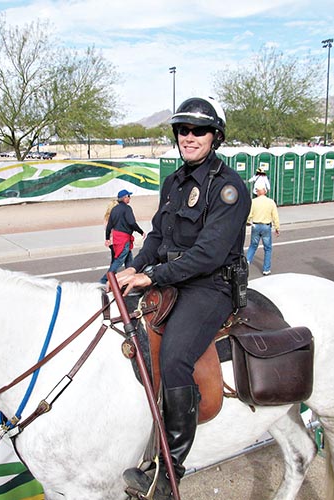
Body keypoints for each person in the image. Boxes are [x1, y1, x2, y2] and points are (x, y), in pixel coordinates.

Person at [114, 96, 250, 500]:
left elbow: (208, 254)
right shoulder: (173, 183)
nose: (189, 138)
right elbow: (157, 236)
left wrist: (150, 275)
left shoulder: (228, 188)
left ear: (215, 137)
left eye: (199, 131)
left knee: (174, 356)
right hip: (173, 279)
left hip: (210, 286)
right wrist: (132, 267)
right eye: (183, 130)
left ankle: (167, 473)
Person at [99, 189, 145, 284]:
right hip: (124, 238)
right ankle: (105, 280)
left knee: (129, 259)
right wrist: (141, 231)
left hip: (117, 238)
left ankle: (131, 277)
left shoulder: (114, 209)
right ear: (125, 198)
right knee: (119, 261)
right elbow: (132, 222)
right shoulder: (127, 209)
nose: (130, 198)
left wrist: (107, 238)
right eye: (129, 196)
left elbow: (109, 226)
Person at [245, 186, 280, 275]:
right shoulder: (271, 202)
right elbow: (275, 216)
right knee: (267, 248)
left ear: (257, 192)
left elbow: (249, 214)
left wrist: (248, 222)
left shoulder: (253, 202)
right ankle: (266, 269)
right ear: (265, 191)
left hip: (256, 226)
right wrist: (277, 227)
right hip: (266, 226)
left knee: (253, 245)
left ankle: (247, 262)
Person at [103, 199, 120, 264]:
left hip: (111, 240)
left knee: (115, 256)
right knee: (116, 258)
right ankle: (112, 271)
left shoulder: (106, 217)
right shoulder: (114, 217)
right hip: (115, 240)